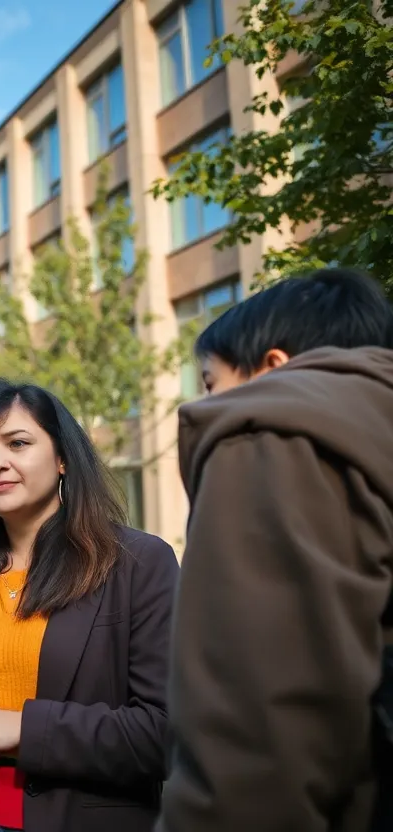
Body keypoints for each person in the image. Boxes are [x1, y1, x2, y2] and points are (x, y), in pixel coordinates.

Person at [157, 268, 393, 832]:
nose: (206, 404)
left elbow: (255, 746)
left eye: (211, 384)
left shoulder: (270, 433)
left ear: (275, 371)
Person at [0, 379, 179, 832]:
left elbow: (163, 730)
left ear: (63, 457)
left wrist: (24, 729)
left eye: (17, 443)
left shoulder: (138, 564)